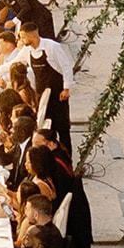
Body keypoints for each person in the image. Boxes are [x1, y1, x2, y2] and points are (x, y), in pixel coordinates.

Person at [15, 20, 74, 152]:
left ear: (33, 36)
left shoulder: (52, 47)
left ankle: (67, 159)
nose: (21, 39)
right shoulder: (27, 50)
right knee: (47, 130)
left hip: (58, 94)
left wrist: (66, 88)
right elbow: (14, 63)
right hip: (42, 96)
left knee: (63, 128)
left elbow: (66, 66)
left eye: (23, 37)